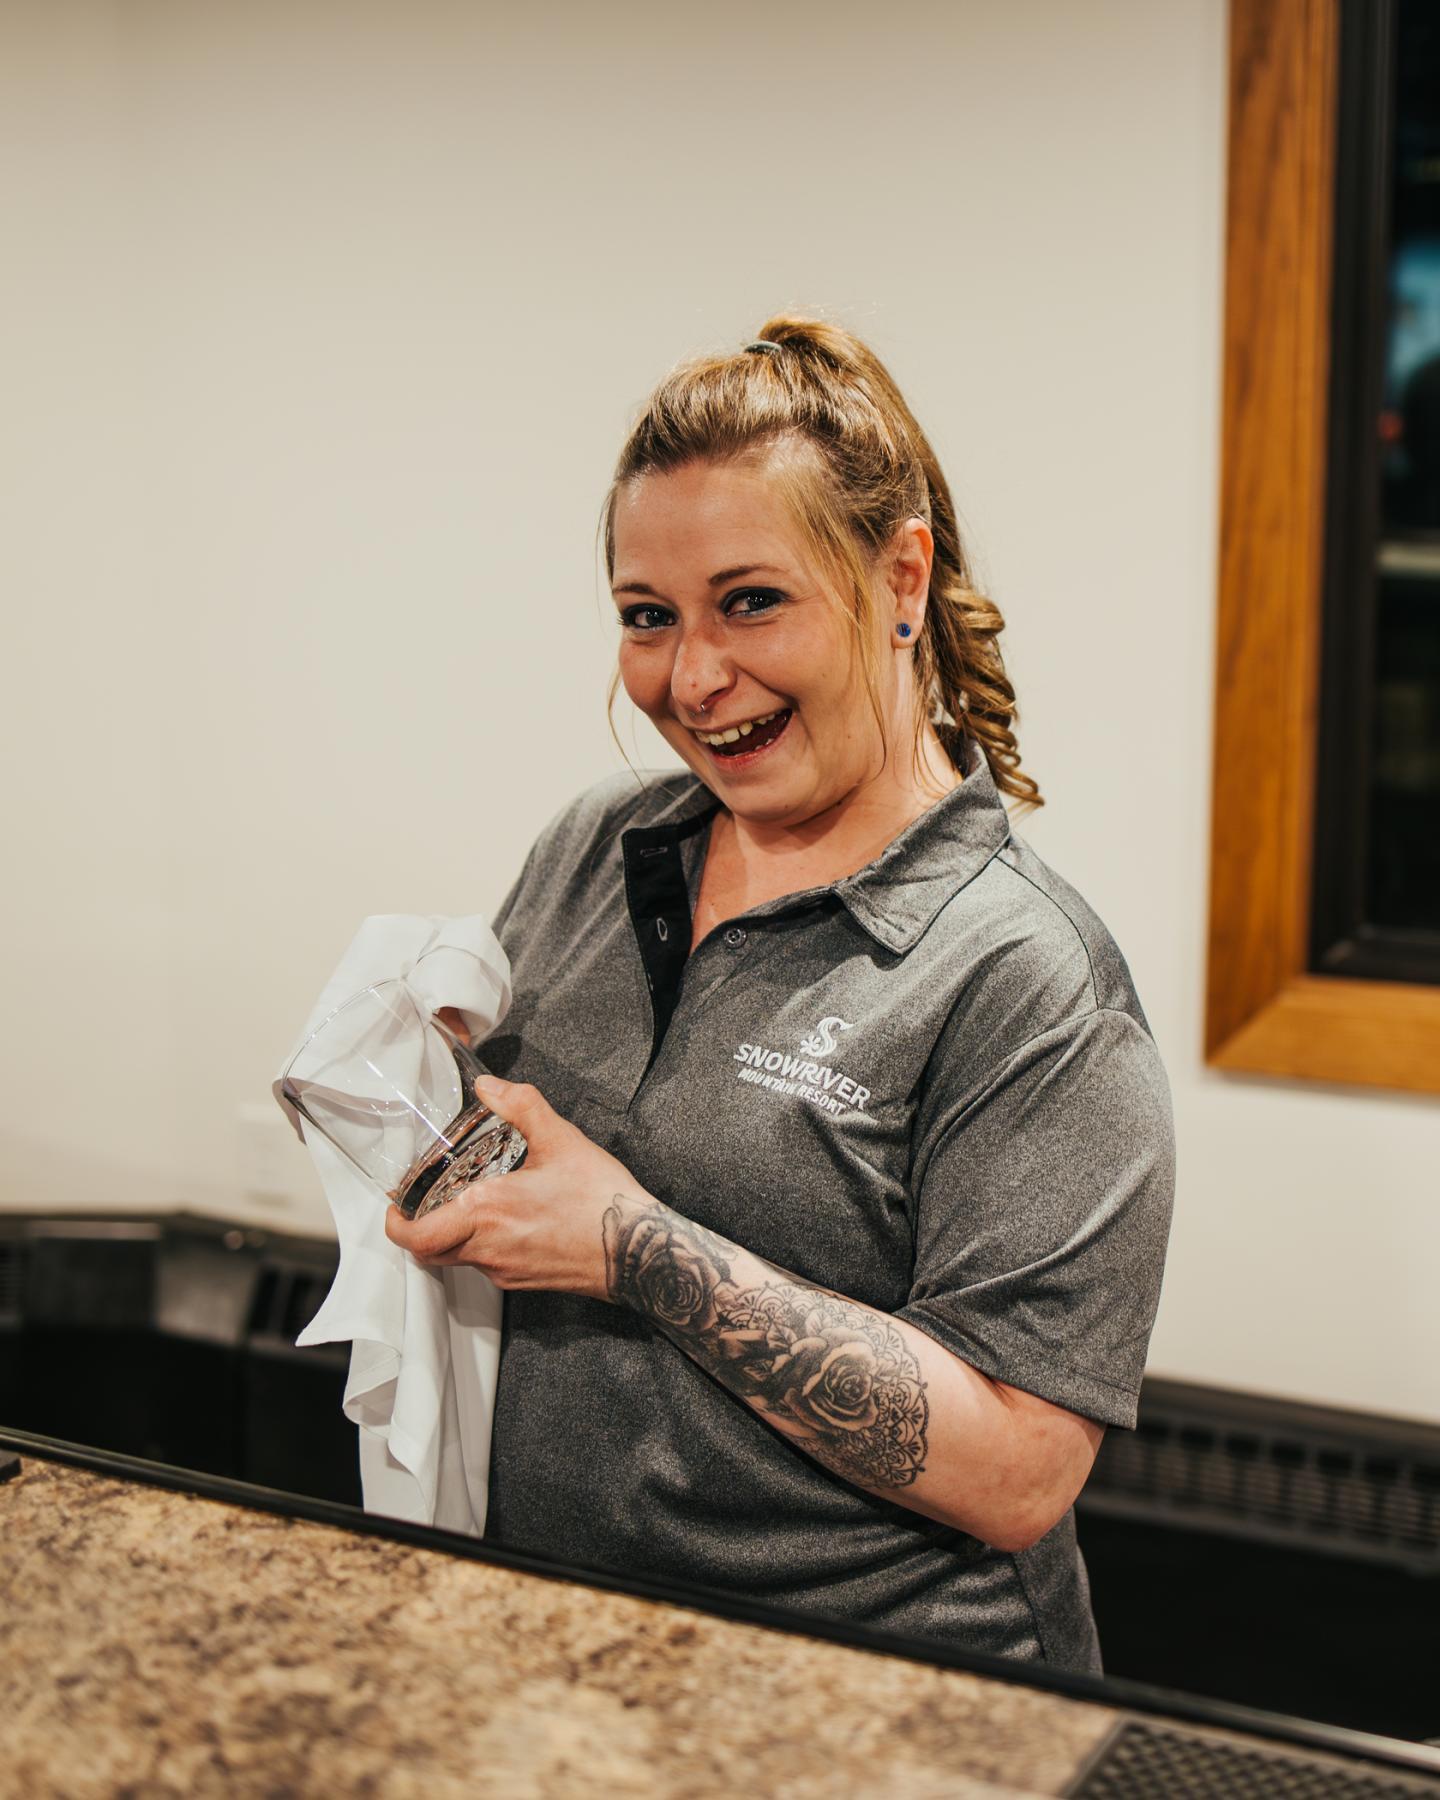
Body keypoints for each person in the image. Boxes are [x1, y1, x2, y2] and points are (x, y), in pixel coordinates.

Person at [385, 317, 1175, 1674]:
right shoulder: (597, 846)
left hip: (885, 1703)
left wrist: (633, 1244)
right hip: (561, 1650)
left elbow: (1021, 1469)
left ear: (901, 577)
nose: (693, 680)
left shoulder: (1031, 981)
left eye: (752, 602)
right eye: (649, 618)